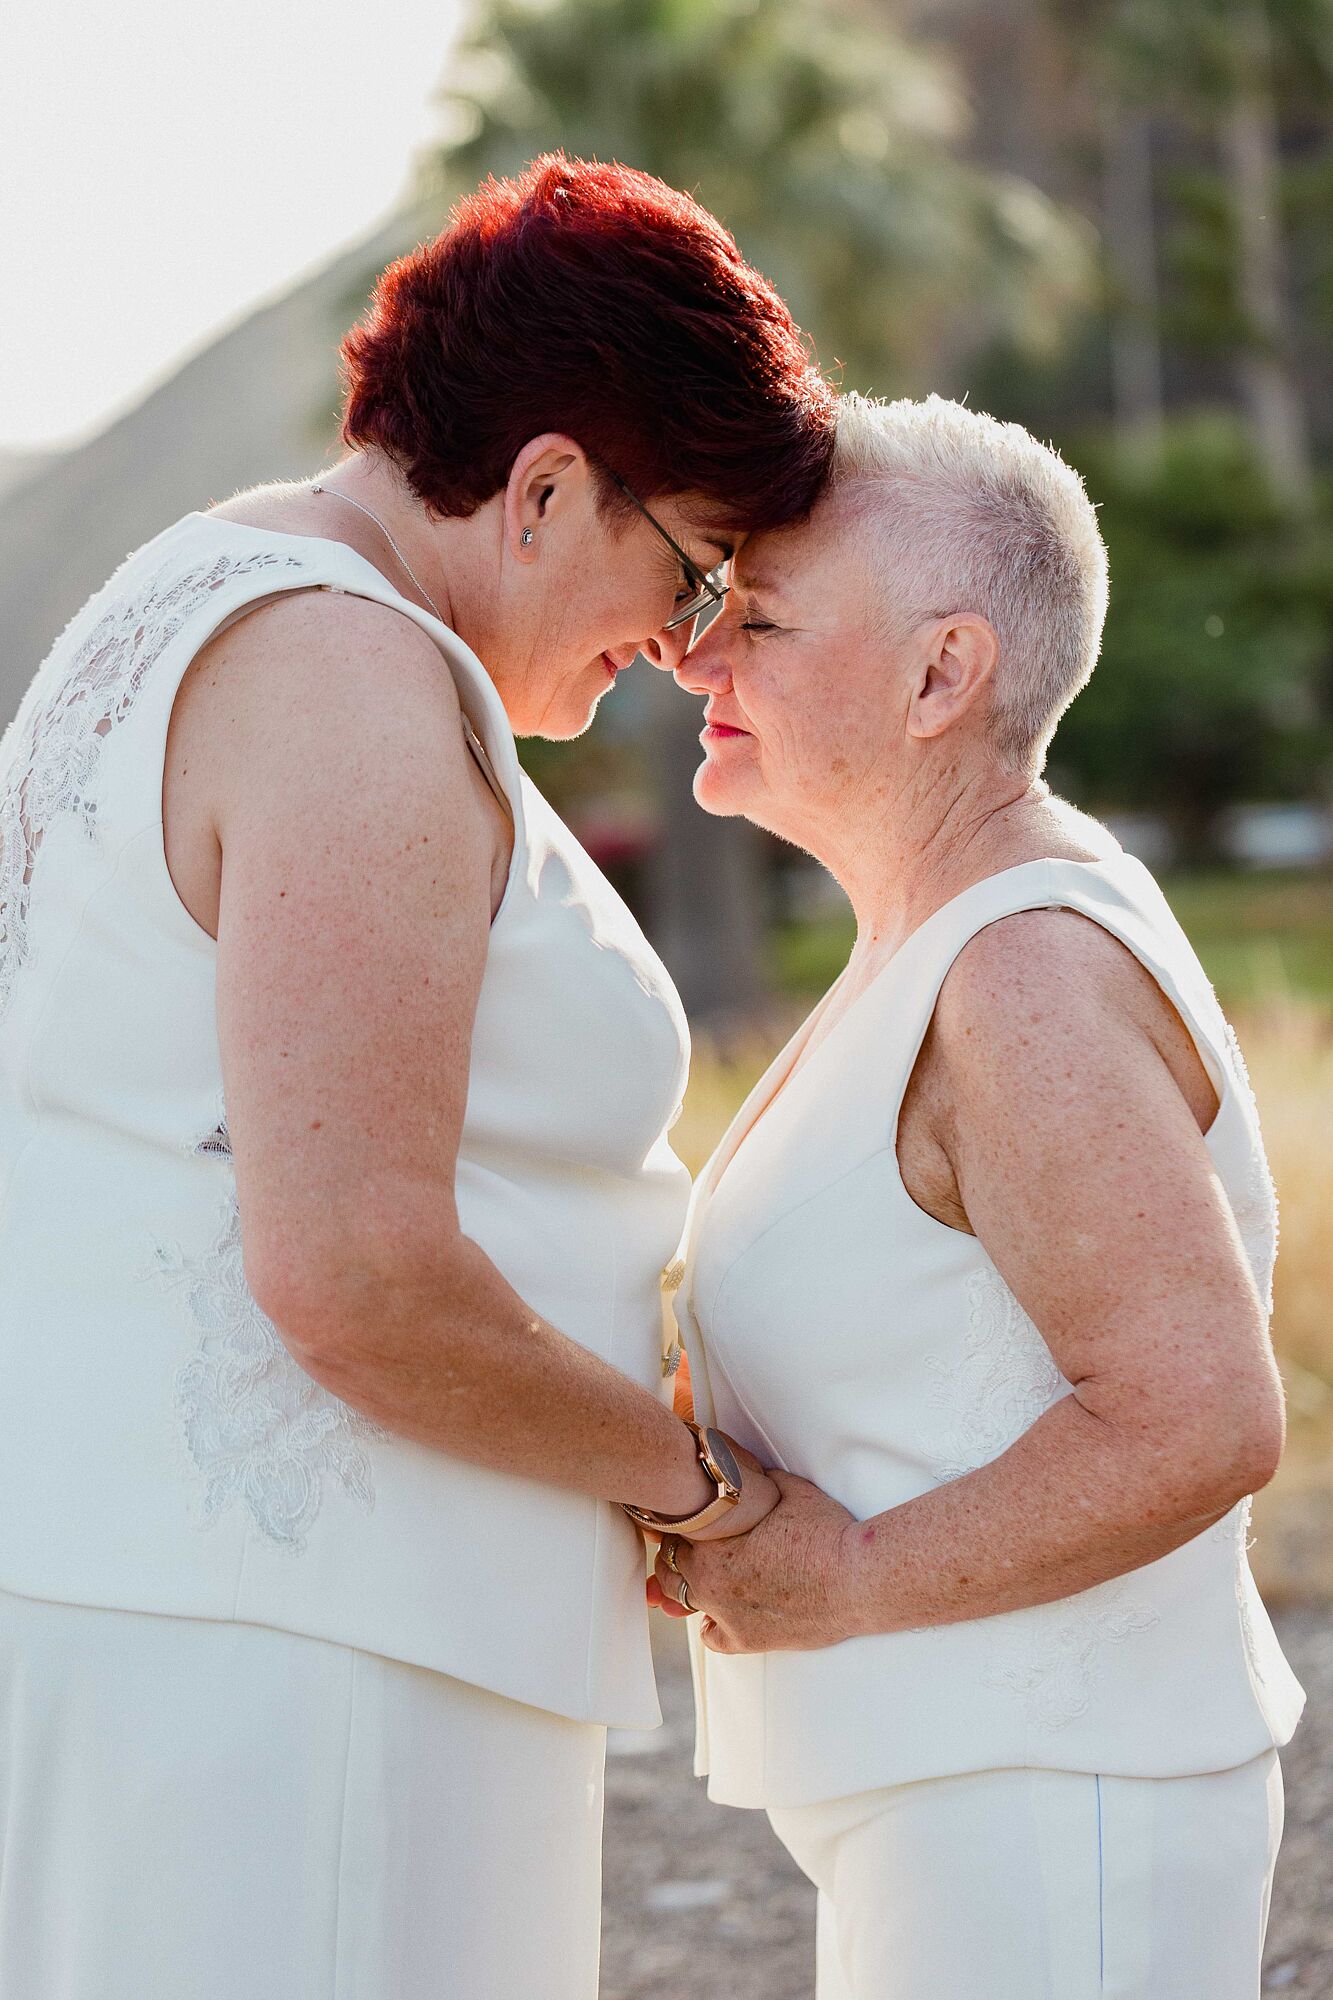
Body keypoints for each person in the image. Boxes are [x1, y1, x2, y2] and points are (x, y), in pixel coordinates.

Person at [0, 155, 836, 1998]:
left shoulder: (193, 588)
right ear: (544, 485)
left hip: (166, 1616)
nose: (683, 645)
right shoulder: (351, 686)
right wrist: (700, 1494)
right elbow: (356, 1274)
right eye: (689, 566)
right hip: (310, 1661)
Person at [652, 392, 1304, 1999]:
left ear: (944, 673)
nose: (697, 654)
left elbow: (1197, 1415)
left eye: (764, 618)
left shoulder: (1020, 967)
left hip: (1048, 1817)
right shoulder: (943, 931)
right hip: (965, 1804)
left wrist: (850, 1575)